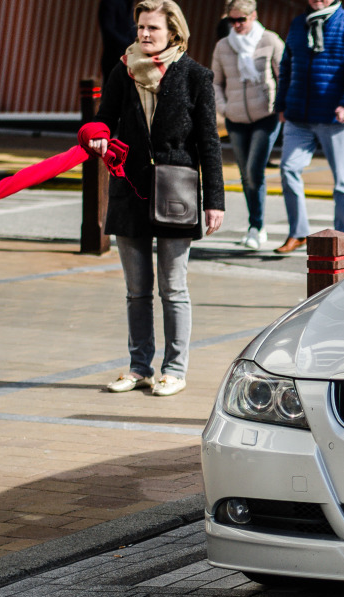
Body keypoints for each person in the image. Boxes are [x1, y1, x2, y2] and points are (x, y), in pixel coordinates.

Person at [87, 0, 224, 398]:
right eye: (141, 28)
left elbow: (209, 144)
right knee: (136, 290)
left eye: (153, 29)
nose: (145, 35)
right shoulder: (123, 70)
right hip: (129, 191)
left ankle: (175, 369)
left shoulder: (195, 76)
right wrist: (93, 134)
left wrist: (214, 200)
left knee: (173, 287)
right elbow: (102, 118)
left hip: (176, 192)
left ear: (174, 33)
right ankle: (139, 367)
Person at [273, 0, 344, 254]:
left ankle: (340, 236)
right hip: (298, 115)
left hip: (335, 115)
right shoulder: (299, 23)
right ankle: (298, 232)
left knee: (342, 181)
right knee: (288, 168)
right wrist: (281, 103)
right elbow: (286, 65)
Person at [212, 0, 284, 251]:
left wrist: (278, 104)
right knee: (246, 174)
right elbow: (216, 83)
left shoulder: (270, 40)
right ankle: (255, 225)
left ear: (253, 16)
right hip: (236, 119)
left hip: (266, 116)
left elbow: (284, 75)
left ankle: (258, 226)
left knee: (254, 170)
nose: (237, 25)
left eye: (241, 19)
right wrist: (224, 108)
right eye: (232, 20)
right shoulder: (223, 46)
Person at [98, 0, 135, 84]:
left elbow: (131, 31)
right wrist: (128, 45)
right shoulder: (110, 2)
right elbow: (108, 29)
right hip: (114, 58)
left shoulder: (131, 5)